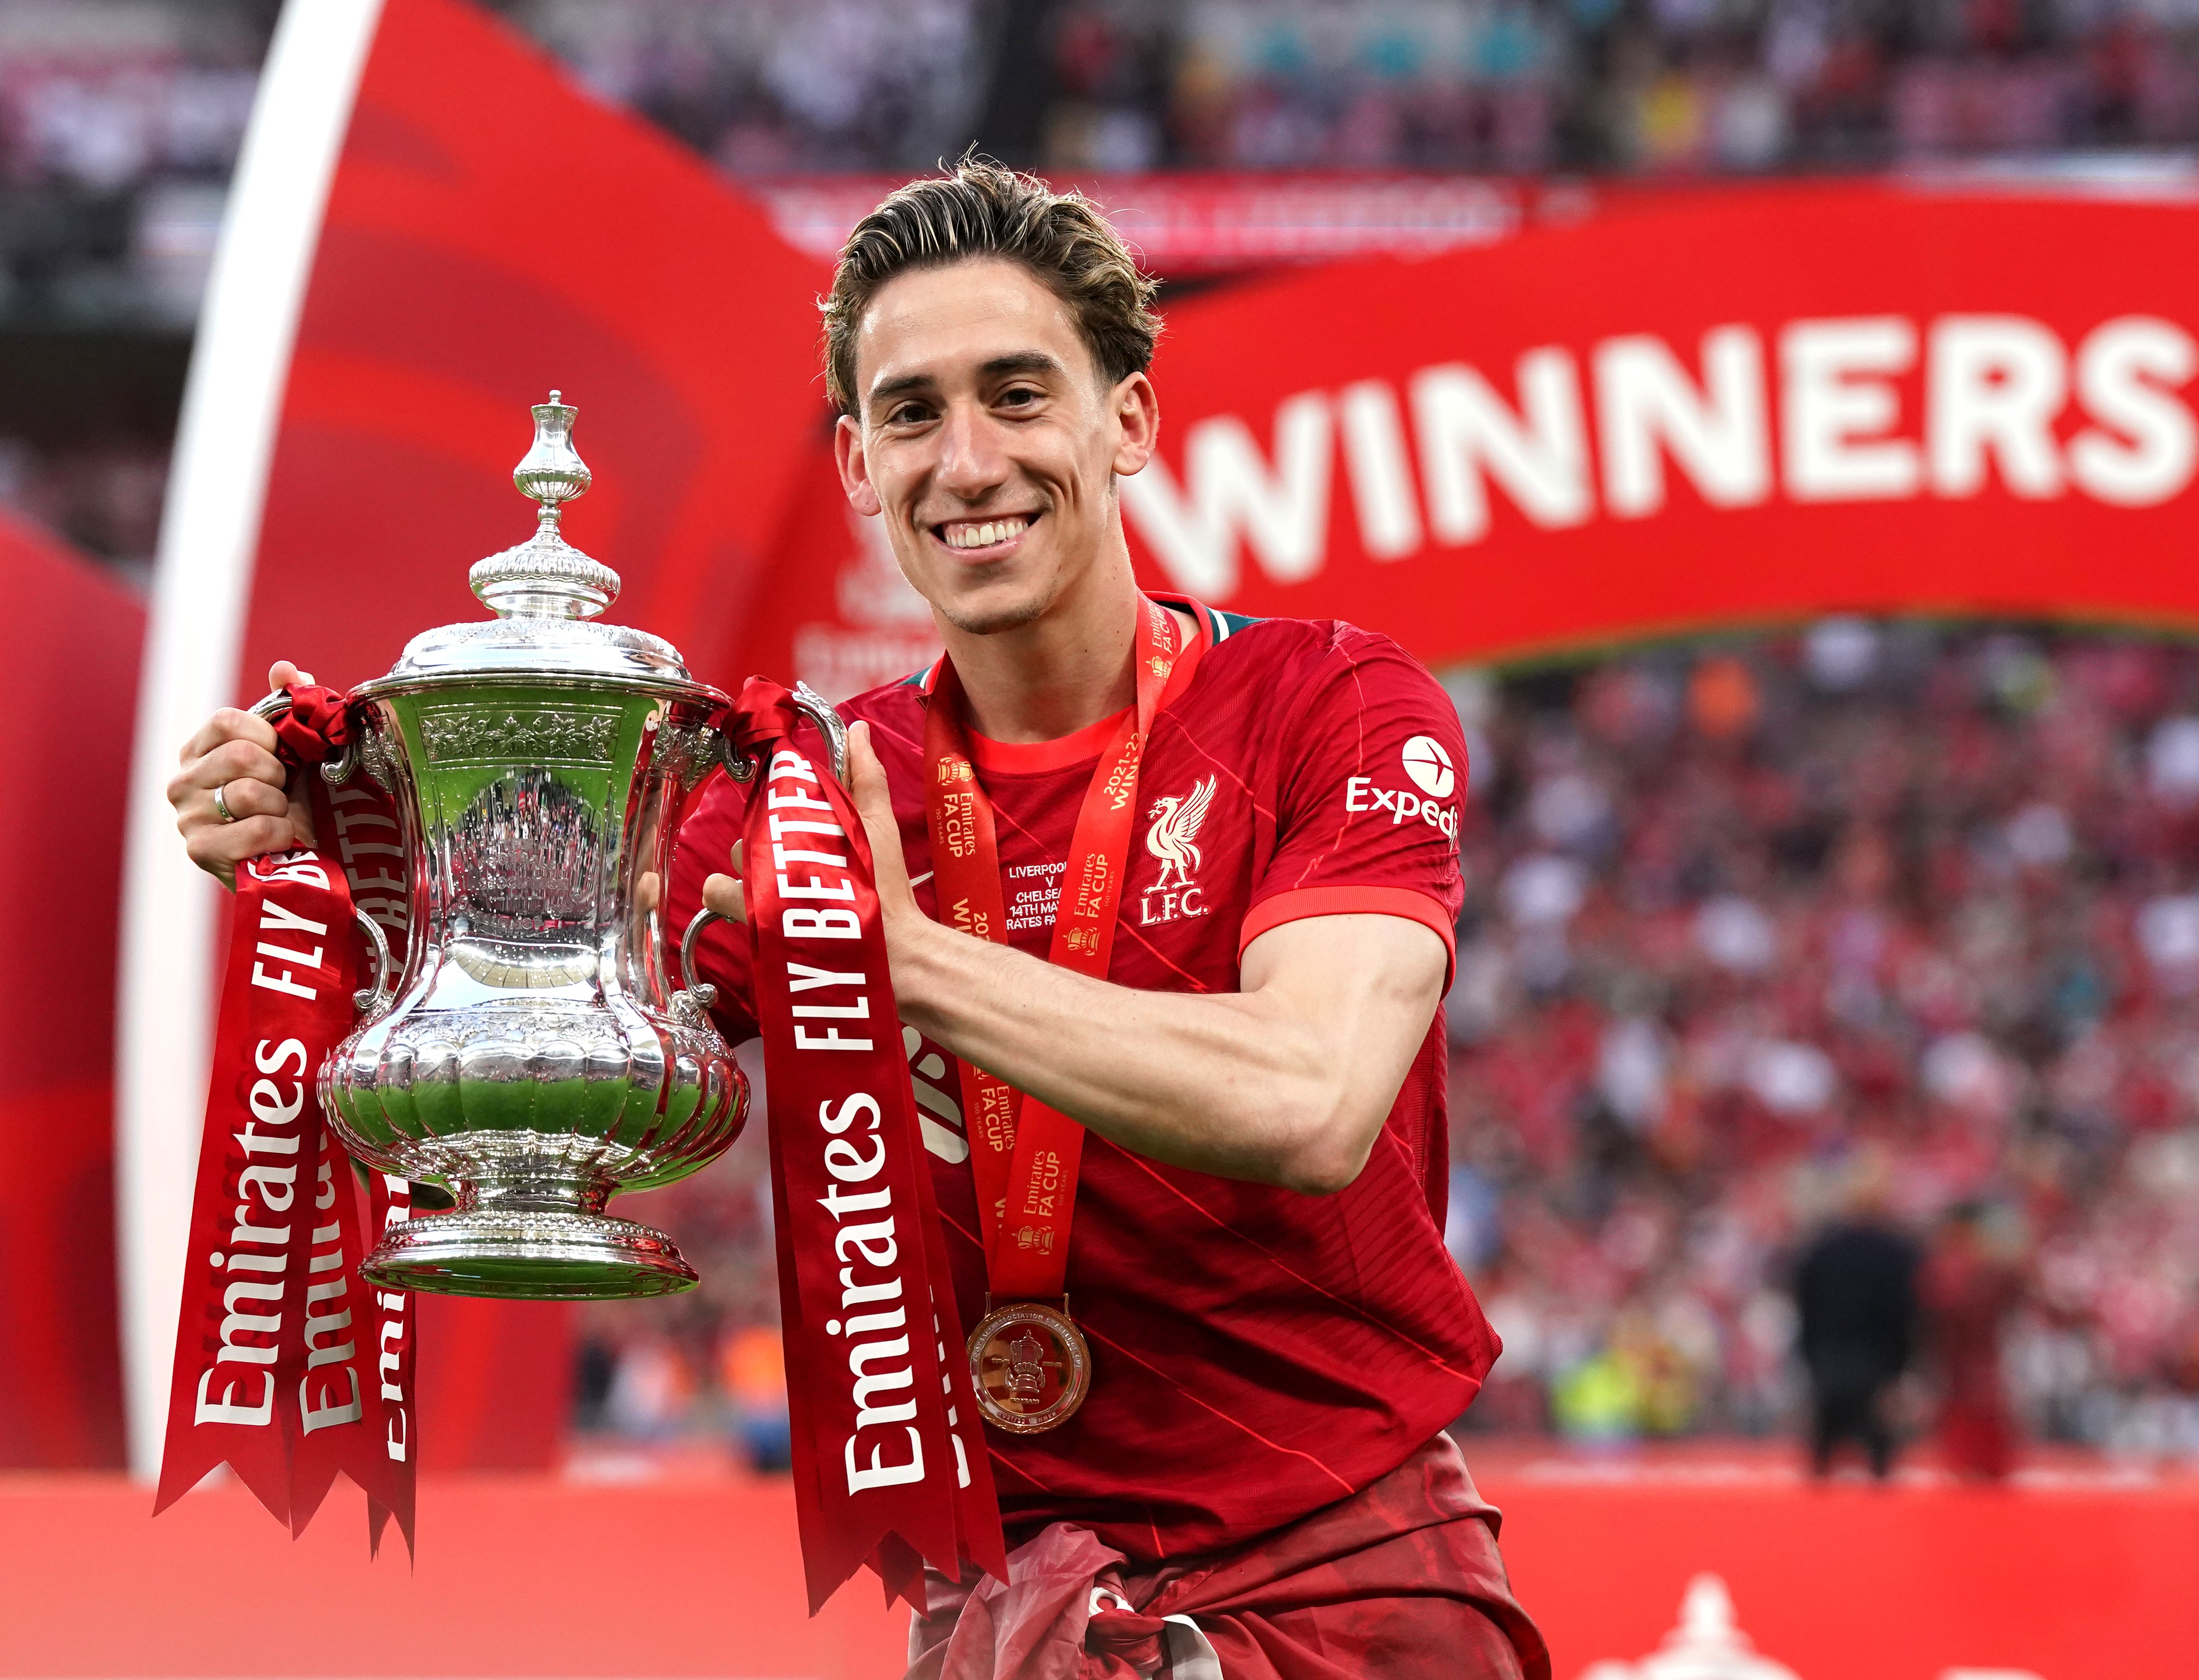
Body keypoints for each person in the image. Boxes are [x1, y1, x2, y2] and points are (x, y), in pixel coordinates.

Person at [168, 159, 1545, 1680]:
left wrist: (895, 953)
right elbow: (568, 965)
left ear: (1128, 423)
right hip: (1009, 1595)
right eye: (911, 411)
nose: (967, 459)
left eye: (1018, 394)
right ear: (855, 463)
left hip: (1335, 1562)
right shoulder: (804, 786)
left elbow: (1309, 1098)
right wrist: (363, 844)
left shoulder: (1324, 703)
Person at [1791, 1176, 1921, 1482]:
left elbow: (1806, 1311)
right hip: (1879, 1367)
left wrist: (1810, 1360)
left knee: (1823, 1463)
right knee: (1879, 1465)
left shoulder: (1820, 1251)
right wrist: (1901, 1366)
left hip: (1828, 1365)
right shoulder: (1899, 1254)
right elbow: (1907, 1316)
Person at [1919, 1202, 2023, 1481]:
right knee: (1988, 1465)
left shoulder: (1939, 1272)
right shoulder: (1991, 1269)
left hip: (1956, 1372)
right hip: (1983, 1371)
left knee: (1961, 1463)